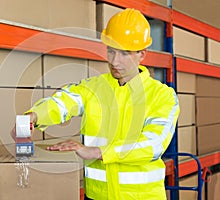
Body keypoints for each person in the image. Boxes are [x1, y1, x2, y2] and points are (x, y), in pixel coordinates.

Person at [24, 8, 180, 200]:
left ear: (142, 54)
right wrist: (34, 116)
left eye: (124, 53)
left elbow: (153, 144)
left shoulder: (162, 96)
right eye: (111, 51)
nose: (114, 61)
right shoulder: (94, 87)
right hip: (96, 196)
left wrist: (96, 152)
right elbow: (64, 101)